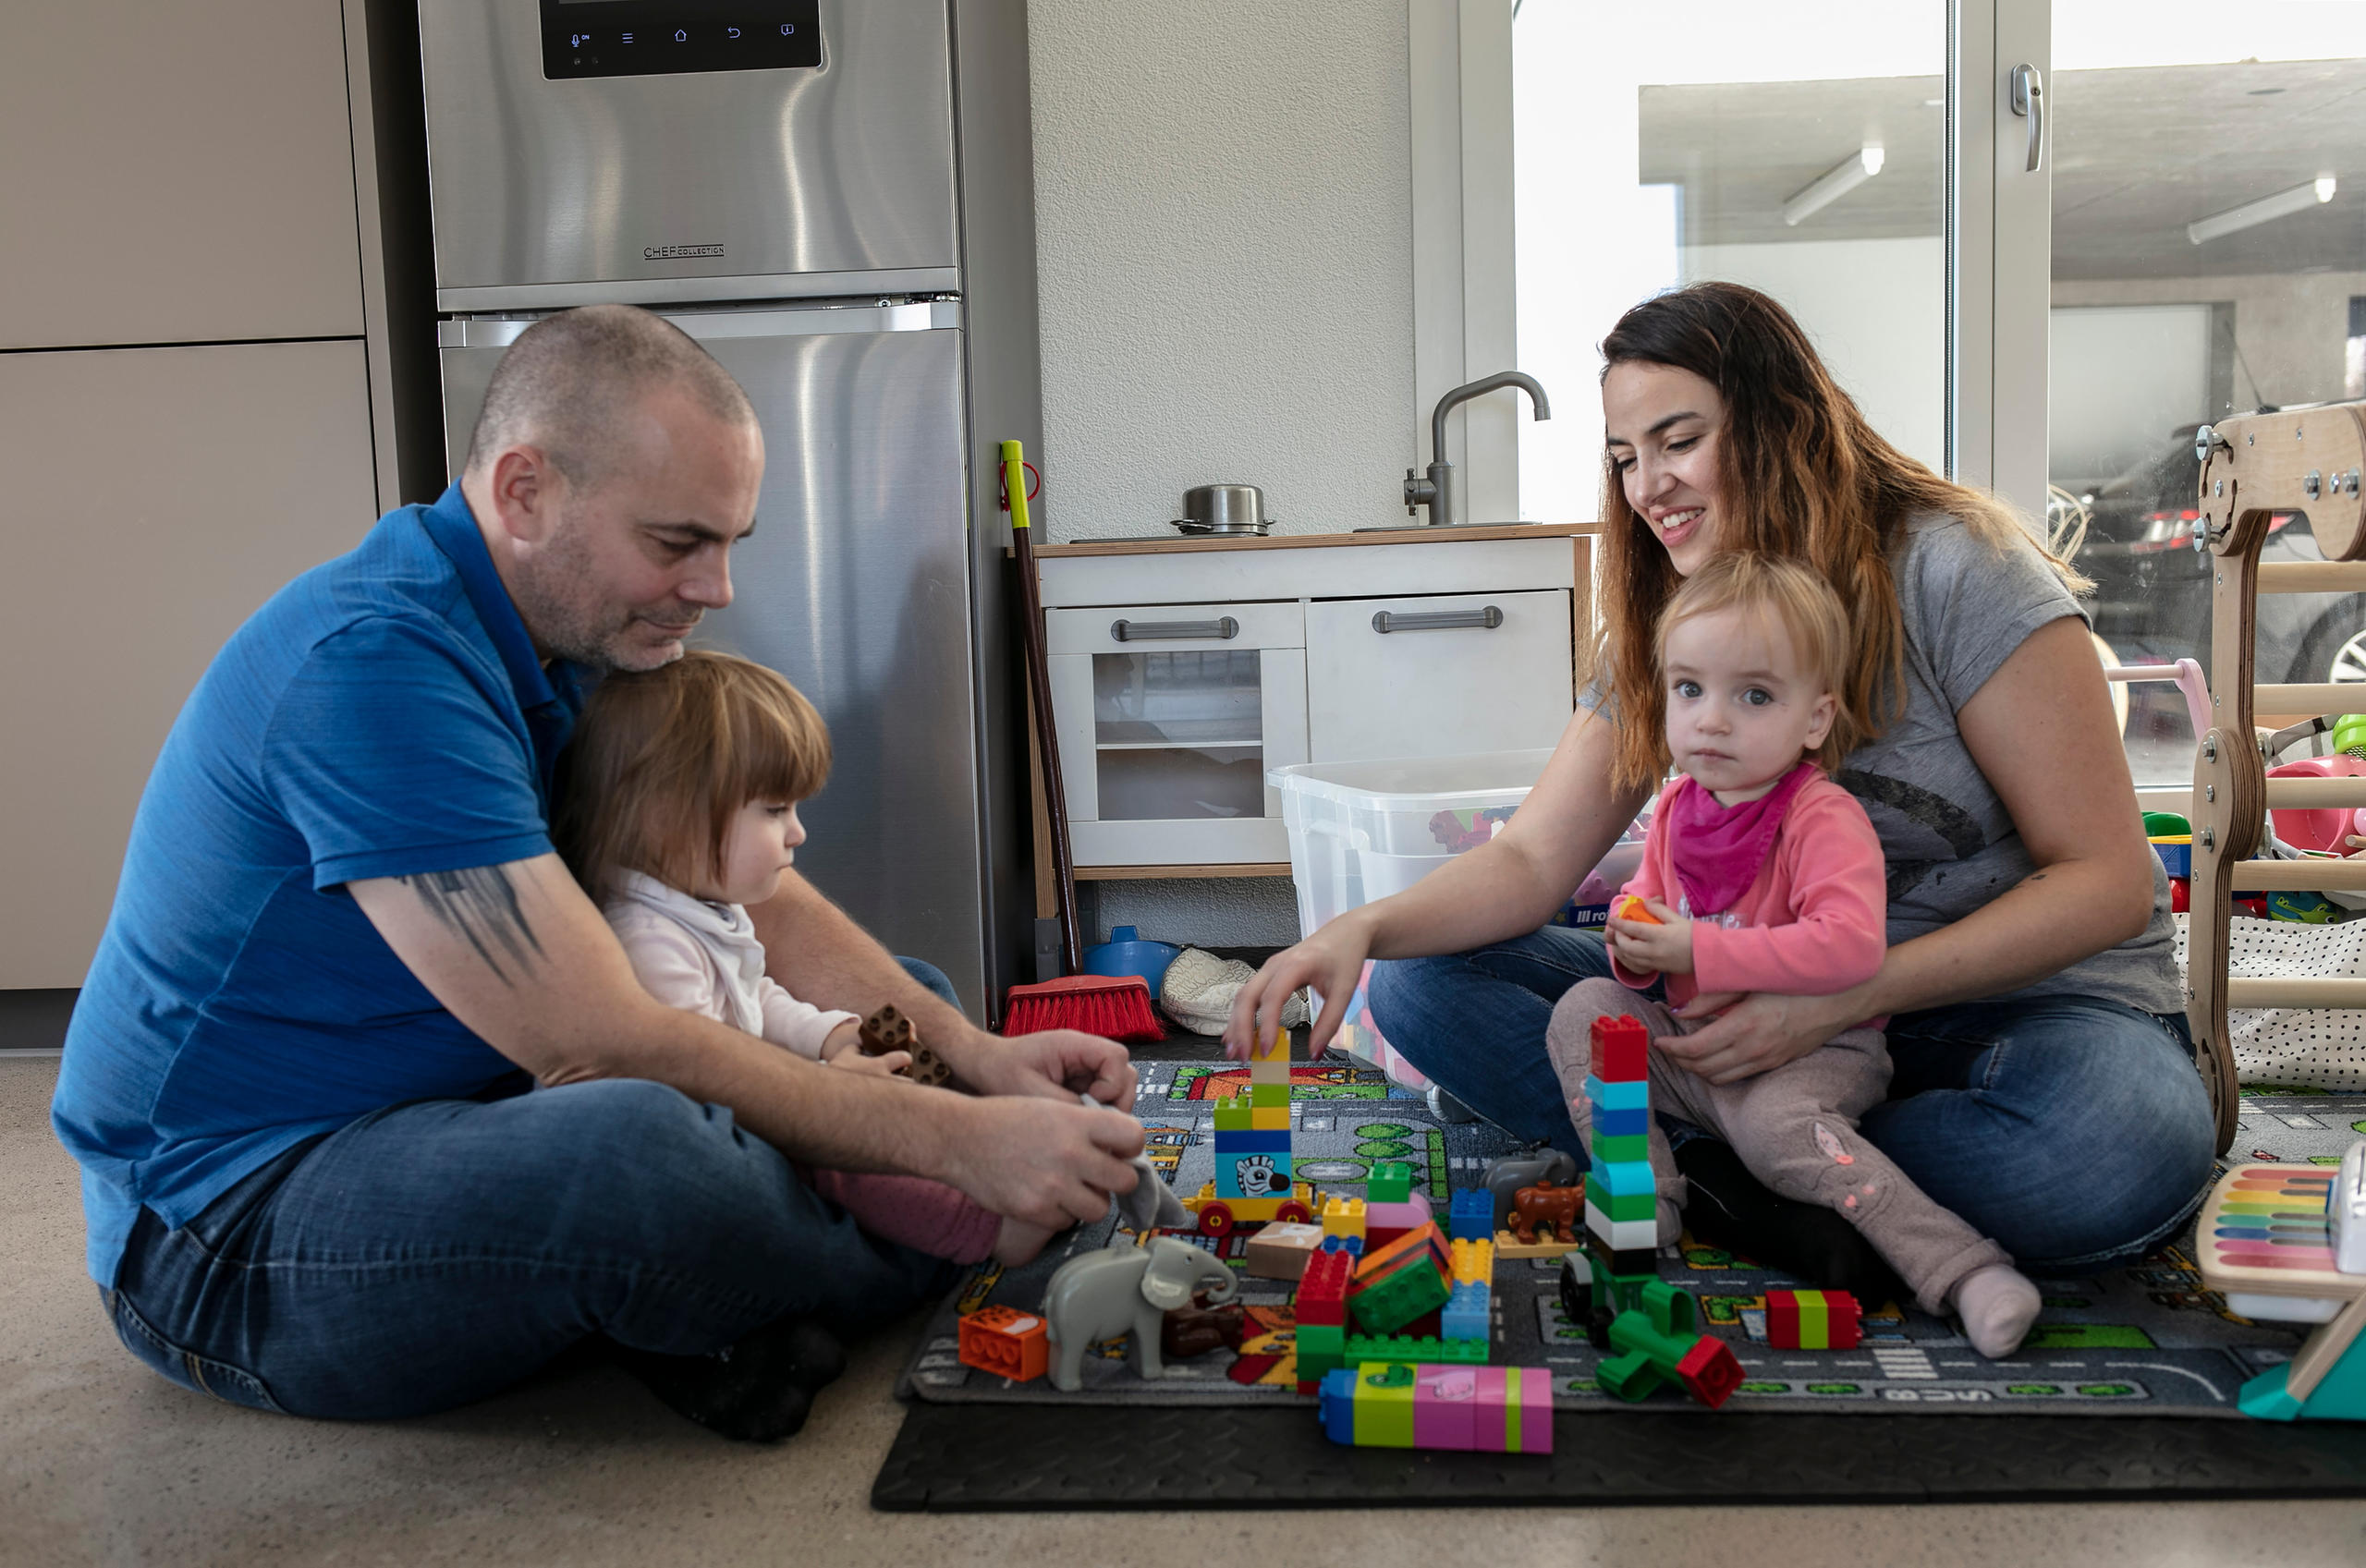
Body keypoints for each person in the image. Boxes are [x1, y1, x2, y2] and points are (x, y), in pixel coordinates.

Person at [52, 304, 1144, 1442]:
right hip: (224, 1224)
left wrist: (970, 1055)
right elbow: (599, 1041)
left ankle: (720, 1300)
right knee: (634, 1152)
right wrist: (961, 1141)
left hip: (463, 1102)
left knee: (893, 1002)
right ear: (524, 492)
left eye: (731, 543)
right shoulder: (379, 665)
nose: (715, 588)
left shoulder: (572, 639)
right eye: (677, 543)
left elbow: (741, 889)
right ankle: (898, 1253)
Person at [1226, 281, 2214, 1288]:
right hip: (1746, 1015)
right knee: (1424, 978)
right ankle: (1780, 1169)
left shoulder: (1958, 572)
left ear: (1776, 425)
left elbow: (2104, 877)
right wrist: (1351, 930)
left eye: (1678, 440)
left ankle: (1723, 1169)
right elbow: (1529, 859)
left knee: (2121, 1142)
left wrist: (1841, 998)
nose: (1647, 484)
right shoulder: (1672, 619)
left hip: (2009, 1009)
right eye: (1623, 457)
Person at [1544, 552, 2040, 1355]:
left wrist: (1696, 946)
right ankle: (1647, 1204)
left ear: (1814, 719)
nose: (1711, 719)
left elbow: (1849, 947)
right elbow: (1653, 925)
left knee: (1779, 1131)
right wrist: (1635, 947)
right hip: (1698, 1052)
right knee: (1584, 1012)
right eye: (1689, 689)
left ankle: (1963, 1270)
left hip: (1813, 1053)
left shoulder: (1821, 815)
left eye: (1754, 696)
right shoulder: (1675, 808)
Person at [553, 646, 1055, 1269]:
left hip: (754, 1078)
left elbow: (757, 989)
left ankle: (979, 1126)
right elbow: (701, 1073)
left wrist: (833, 1037)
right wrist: (830, 1096)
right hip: (718, 1122)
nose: (798, 833)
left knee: (902, 1003)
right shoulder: (647, 941)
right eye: (774, 811)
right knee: (847, 1159)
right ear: (667, 821)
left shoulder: (704, 900)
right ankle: (978, 1229)